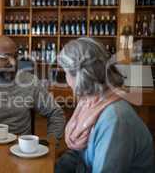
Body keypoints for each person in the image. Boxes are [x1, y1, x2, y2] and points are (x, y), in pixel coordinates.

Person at [55, 37, 154, 173]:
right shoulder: (89, 102)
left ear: (79, 77)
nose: (66, 81)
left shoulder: (114, 119)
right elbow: (82, 154)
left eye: (65, 73)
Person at [0, 35, 65, 140]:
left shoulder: (30, 82)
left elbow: (55, 113)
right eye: (6, 58)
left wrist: (51, 143)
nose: (13, 63)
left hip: (21, 147)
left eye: (15, 56)